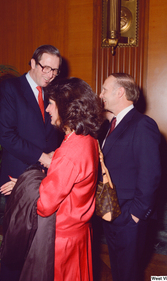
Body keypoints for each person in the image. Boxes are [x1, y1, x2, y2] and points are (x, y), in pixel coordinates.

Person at [0, 45, 63, 280]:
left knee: (39, 245)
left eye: (55, 70)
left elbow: (53, 134)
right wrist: (42, 157)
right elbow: (5, 135)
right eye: (46, 68)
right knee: (17, 244)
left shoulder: (53, 92)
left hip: (46, 178)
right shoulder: (11, 88)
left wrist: (56, 157)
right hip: (18, 176)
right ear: (32, 63)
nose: (51, 74)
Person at [35, 77, 104, 280]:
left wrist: (25, 188)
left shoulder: (70, 150)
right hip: (80, 232)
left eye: (51, 104)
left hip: (63, 238)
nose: (47, 109)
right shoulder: (88, 138)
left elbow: (45, 205)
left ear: (66, 107)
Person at [99, 73, 161, 281]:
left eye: (105, 90)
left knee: (129, 272)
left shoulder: (142, 124)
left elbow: (150, 173)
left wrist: (136, 213)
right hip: (111, 210)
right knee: (118, 268)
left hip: (130, 215)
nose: (101, 95)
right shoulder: (111, 124)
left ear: (120, 92)